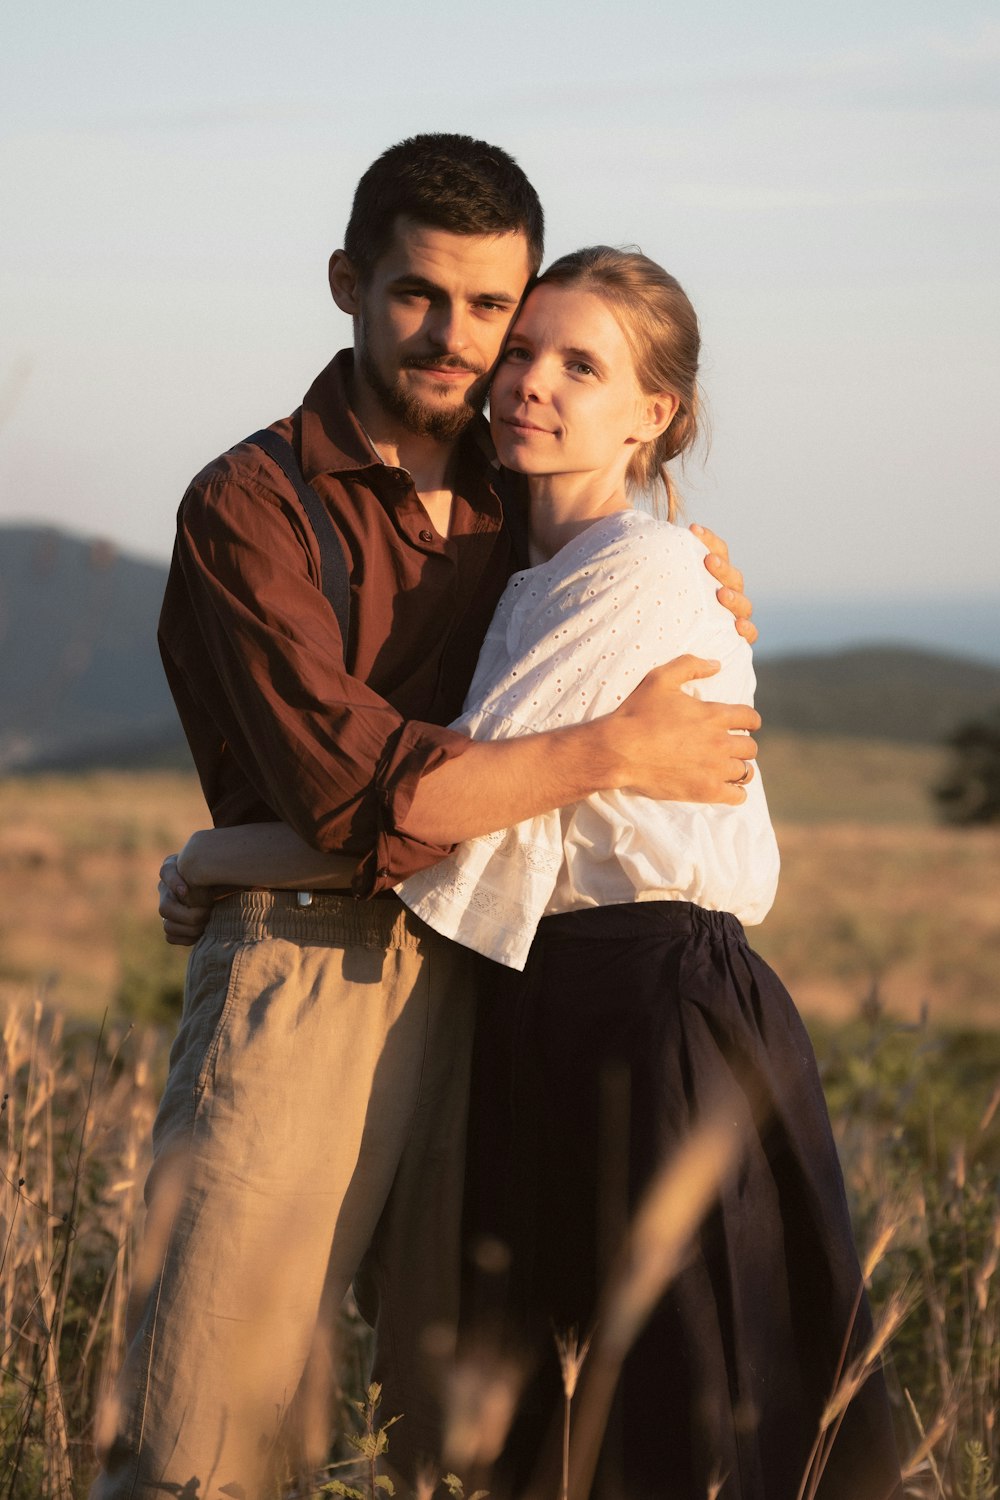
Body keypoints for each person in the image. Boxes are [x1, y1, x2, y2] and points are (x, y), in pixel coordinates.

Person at [178, 247, 903, 1499]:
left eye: (581, 365)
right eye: (523, 352)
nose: (528, 384)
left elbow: (437, 815)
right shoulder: (532, 575)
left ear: (654, 413)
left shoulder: (641, 575)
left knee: (687, 1413)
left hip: (655, 1006)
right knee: (565, 1415)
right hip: (552, 1006)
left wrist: (212, 855)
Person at [96, 136, 759, 1500]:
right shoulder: (254, 505)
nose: (460, 340)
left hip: (496, 973)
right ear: (350, 281)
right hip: (309, 962)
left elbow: (626, 588)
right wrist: (611, 747)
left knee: (449, 1425)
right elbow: (356, 795)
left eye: (492, 309)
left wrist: (692, 575)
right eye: (418, 295)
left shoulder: (525, 498)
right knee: (208, 1425)